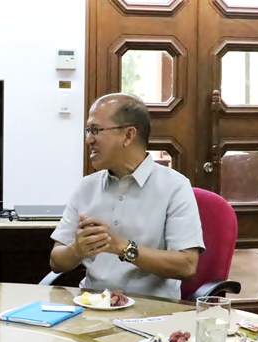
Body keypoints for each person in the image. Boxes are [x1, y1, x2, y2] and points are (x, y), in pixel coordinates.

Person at [48, 93, 205, 300]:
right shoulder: (87, 187)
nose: (89, 140)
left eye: (96, 130)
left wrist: (123, 247)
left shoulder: (174, 187)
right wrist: (77, 250)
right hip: (92, 306)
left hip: (151, 311)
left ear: (128, 135)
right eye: (88, 131)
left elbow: (186, 266)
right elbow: (56, 261)